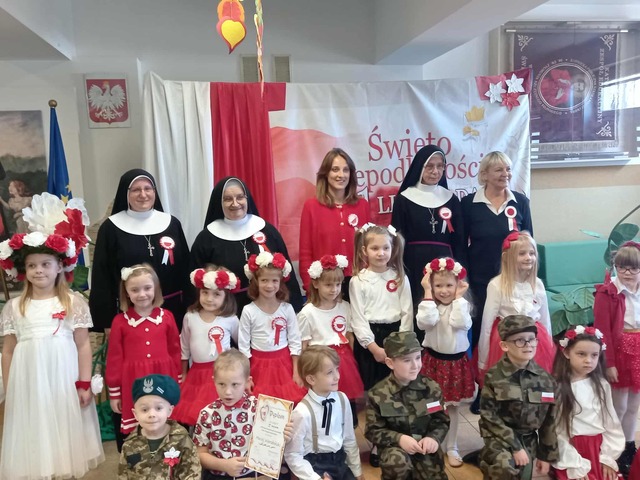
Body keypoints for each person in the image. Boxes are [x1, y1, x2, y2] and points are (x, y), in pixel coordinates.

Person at [0, 193, 104, 479]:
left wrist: (84, 383)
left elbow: (83, 346)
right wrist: (11, 387)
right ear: (24, 270)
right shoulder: (14, 307)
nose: (38, 271)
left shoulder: (72, 302)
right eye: (32, 265)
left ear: (60, 266)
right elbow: (8, 350)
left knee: (62, 426)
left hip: (62, 377)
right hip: (29, 379)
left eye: (45, 264)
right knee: (36, 428)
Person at [90, 168, 191, 332]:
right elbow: (102, 277)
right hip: (129, 314)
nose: (143, 195)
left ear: (154, 192)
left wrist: (190, 308)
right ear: (126, 193)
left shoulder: (172, 224)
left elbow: (185, 269)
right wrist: (107, 321)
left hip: (172, 312)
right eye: (136, 190)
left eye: (147, 189)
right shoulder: (110, 228)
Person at [191, 176, 303, 315]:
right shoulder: (206, 238)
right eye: (227, 199)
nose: (235, 203)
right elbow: (197, 283)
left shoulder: (267, 230)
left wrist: (295, 308)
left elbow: (287, 275)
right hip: (225, 313)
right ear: (219, 202)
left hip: (267, 310)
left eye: (240, 197)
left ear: (247, 199)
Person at [461, 151, 534, 350]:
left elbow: (529, 242)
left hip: (514, 280)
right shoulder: (468, 204)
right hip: (480, 280)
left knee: (514, 330)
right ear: (484, 174)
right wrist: (465, 278)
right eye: (499, 170)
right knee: (481, 329)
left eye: (508, 169)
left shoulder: (520, 202)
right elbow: (461, 244)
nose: (505, 174)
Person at [391, 145, 466, 336]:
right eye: (429, 166)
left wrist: (461, 269)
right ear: (419, 167)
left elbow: (459, 239)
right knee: (418, 306)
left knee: (444, 309)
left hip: (445, 265)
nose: (435, 171)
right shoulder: (404, 199)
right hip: (413, 264)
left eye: (440, 166)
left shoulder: (451, 199)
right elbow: (397, 238)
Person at [106, 264, 182, 449]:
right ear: (126, 293)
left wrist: (178, 382)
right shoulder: (120, 322)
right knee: (139, 426)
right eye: (135, 290)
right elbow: (114, 358)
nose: (142, 294)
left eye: (147, 288)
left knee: (164, 422)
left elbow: (175, 351)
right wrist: (115, 393)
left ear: (156, 288)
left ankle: (167, 458)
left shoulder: (167, 317)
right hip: (133, 380)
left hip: (163, 377)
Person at [193, 348, 294, 480]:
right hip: (219, 475)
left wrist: (284, 436)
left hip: (253, 475)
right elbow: (200, 454)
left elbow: (273, 443)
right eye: (222, 384)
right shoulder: (207, 414)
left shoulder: (261, 409)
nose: (228, 391)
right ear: (214, 381)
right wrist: (224, 465)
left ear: (247, 382)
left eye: (235, 384)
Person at [479, 315, 558, 479]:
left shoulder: (545, 379)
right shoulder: (494, 376)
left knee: (522, 475)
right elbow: (489, 416)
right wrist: (515, 447)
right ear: (504, 345)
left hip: (528, 439)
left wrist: (546, 455)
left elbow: (549, 421)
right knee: (504, 468)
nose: (528, 345)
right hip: (499, 437)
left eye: (532, 339)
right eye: (520, 340)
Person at [365, 331, 450, 480]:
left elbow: (441, 421)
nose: (415, 365)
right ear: (390, 363)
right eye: (406, 360)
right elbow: (372, 431)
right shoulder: (377, 394)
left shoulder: (431, 388)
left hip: (424, 449)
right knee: (396, 462)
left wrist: (433, 438)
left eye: (418, 358)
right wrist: (398, 438)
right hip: (396, 450)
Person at [416, 257, 475, 468]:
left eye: (449, 285)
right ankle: (433, 443)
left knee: (452, 408)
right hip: (433, 362)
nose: (444, 290)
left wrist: (458, 298)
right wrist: (427, 293)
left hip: (455, 364)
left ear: (458, 285)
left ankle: (452, 446)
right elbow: (425, 323)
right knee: (432, 406)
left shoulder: (463, 306)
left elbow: (460, 323)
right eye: (438, 286)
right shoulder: (428, 305)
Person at [478, 231, 555, 378]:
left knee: (533, 378)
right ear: (508, 257)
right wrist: (483, 360)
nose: (528, 257)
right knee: (509, 378)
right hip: (507, 339)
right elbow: (487, 324)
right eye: (522, 253)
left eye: (532, 253)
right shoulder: (497, 285)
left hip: (534, 339)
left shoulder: (537, 284)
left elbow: (545, 320)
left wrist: (550, 348)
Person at [297, 254, 364, 424]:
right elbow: (303, 344)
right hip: (319, 359)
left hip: (344, 359)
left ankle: (349, 423)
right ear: (316, 284)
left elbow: (349, 336)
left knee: (346, 395)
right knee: (325, 395)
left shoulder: (345, 307)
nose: (334, 289)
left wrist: (355, 359)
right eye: (328, 285)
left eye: (338, 284)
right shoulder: (307, 313)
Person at [552, 326, 624, 480]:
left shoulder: (602, 385)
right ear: (566, 353)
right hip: (573, 450)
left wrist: (608, 458)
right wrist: (574, 463)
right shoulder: (559, 388)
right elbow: (557, 430)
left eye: (594, 355)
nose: (588, 360)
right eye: (581, 354)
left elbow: (611, 423)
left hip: (599, 449)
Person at [171, 266, 240, 426]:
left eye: (216, 294)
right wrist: (184, 373)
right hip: (197, 374)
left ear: (226, 296)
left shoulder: (230, 318)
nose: (209, 299)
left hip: (223, 373)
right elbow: (184, 348)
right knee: (200, 413)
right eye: (205, 293)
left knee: (222, 412)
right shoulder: (190, 317)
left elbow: (242, 345)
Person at [594, 241, 640, 474]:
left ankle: (629, 447)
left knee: (634, 405)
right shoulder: (607, 293)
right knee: (618, 406)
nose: (627, 273)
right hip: (619, 350)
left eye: (633, 268)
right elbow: (603, 332)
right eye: (621, 267)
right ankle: (614, 448)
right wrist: (609, 363)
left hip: (639, 349)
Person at [349, 223, 412, 392]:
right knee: (374, 388)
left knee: (397, 385)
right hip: (370, 340)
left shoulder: (399, 277)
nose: (381, 253)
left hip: (395, 336)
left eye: (386, 248)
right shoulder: (358, 281)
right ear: (364, 250)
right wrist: (373, 347)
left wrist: (402, 341)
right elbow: (358, 318)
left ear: (393, 249)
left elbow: (407, 312)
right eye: (375, 248)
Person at [285, 346, 364, 480]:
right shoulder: (302, 412)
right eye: (329, 372)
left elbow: (349, 439)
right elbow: (293, 454)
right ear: (311, 379)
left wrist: (357, 471)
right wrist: (315, 478)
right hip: (315, 467)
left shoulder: (342, 399)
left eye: (337, 369)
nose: (337, 376)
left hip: (340, 461)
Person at [299, 148, 370, 295]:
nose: (341, 175)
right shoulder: (311, 206)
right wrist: (310, 288)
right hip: (326, 286)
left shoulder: (362, 205)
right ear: (326, 174)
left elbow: (370, 246)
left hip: (360, 283)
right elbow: (305, 253)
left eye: (346, 170)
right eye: (335, 169)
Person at [238, 251, 306, 403]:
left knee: (286, 401)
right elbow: (243, 346)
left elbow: (295, 341)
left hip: (284, 363)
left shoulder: (287, 309)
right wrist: (247, 377)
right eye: (264, 280)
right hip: (257, 365)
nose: (269, 285)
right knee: (261, 403)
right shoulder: (248, 311)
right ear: (256, 281)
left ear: (280, 282)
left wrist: (296, 371)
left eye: (274, 280)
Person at [118, 374, 201, 480]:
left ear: (169, 410)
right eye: (144, 410)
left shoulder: (182, 440)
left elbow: (192, 474)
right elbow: (123, 475)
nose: (151, 414)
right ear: (135, 414)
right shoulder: (129, 444)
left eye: (158, 408)